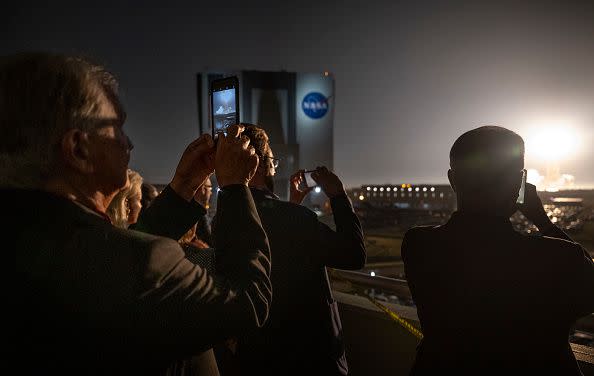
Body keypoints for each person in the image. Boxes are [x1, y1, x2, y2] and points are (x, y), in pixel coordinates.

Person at [1, 52, 271, 375]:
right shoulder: (140, 269)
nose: (129, 145)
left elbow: (120, 245)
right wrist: (235, 187)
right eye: (117, 129)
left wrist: (181, 188)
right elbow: (249, 301)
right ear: (78, 149)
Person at [401, 126, 594, 375]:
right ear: (519, 183)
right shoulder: (558, 258)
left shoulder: (419, 244)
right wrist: (542, 221)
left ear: (452, 180)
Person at [223, 124, 366, 375]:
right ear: (260, 163)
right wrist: (339, 196)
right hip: (311, 358)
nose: (274, 167)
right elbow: (353, 254)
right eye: (271, 159)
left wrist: (292, 206)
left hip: (258, 358)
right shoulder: (296, 219)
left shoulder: (226, 218)